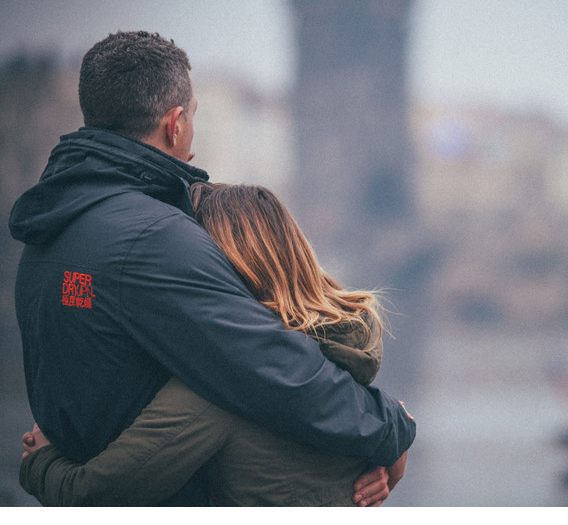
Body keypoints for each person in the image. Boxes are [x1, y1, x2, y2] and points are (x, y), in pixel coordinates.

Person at [8, 31, 414, 506]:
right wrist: (392, 428)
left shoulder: (46, 230)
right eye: (195, 116)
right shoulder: (155, 237)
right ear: (175, 124)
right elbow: (271, 364)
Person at [19, 182, 409, 506]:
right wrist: (395, 451)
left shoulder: (222, 383)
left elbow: (97, 497)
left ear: (216, 269)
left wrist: (42, 462)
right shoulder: (340, 348)